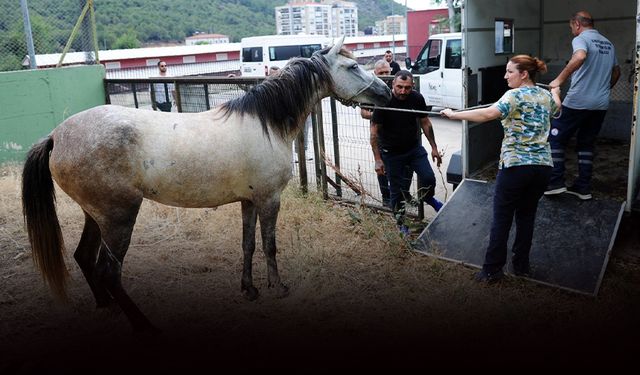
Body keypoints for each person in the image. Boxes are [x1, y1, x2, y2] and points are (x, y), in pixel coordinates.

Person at [440, 55, 562, 282]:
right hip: (542, 168)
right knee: (526, 216)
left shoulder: (513, 95)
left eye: (510, 72)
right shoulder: (545, 95)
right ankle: (521, 266)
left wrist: (453, 114)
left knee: (502, 218)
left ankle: (492, 270)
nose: (505, 76)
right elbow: (558, 107)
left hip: (516, 166)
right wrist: (556, 90)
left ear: (524, 74)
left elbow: (487, 114)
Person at [544, 11, 621, 200]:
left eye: (571, 27)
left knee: (555, 138)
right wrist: (602, 89)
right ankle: (583, 187)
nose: (572, 30)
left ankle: (555, 182)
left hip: (577, 102)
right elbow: (617, 72)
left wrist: (558, 80)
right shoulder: (608, 43)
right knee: (586, 143)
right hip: (600, 104)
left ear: (577, 24)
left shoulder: (581, 39)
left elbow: (579, 57)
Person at [371, 70, 443, 234]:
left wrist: (434, 148)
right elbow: (374, 132)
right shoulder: (384, 101)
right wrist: (377, 159)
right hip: (391, 153)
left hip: (413, 149)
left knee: (428, 177)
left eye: (407, 88)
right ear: (392, 85)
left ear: (413, 86)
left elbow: (425, 122)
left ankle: (428, 197)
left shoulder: (416, 98)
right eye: (399, 87)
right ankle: (401, 223)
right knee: (396, 190)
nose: (403, 91)